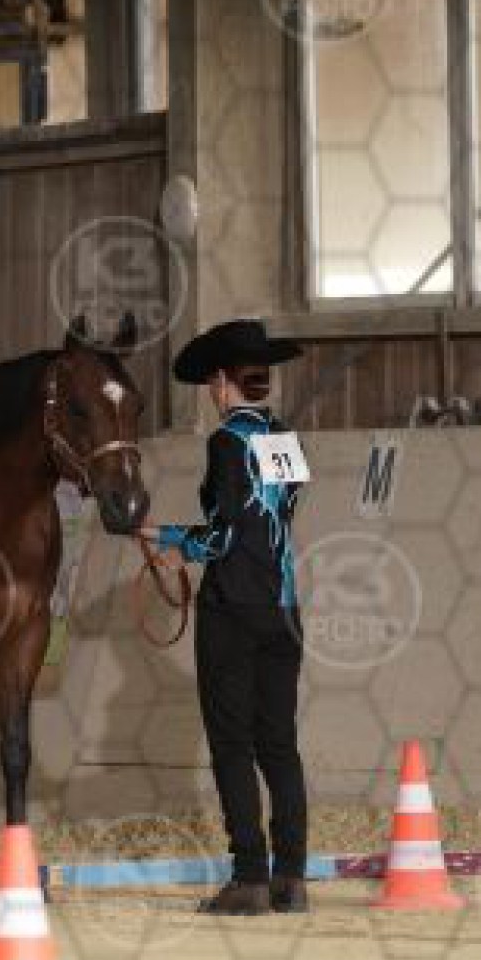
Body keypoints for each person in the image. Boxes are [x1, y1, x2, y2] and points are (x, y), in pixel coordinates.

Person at [141, 319, 311, 916]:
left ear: (220, 382)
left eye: (211, 384)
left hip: (233, 611)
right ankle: (291, 877)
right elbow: (274, 520)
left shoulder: (225, 443)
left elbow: (225, 535)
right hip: (283, 607)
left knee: (232, 744)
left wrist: (167, 538)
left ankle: (249, 878)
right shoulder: (285, 438)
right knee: (279, 745)